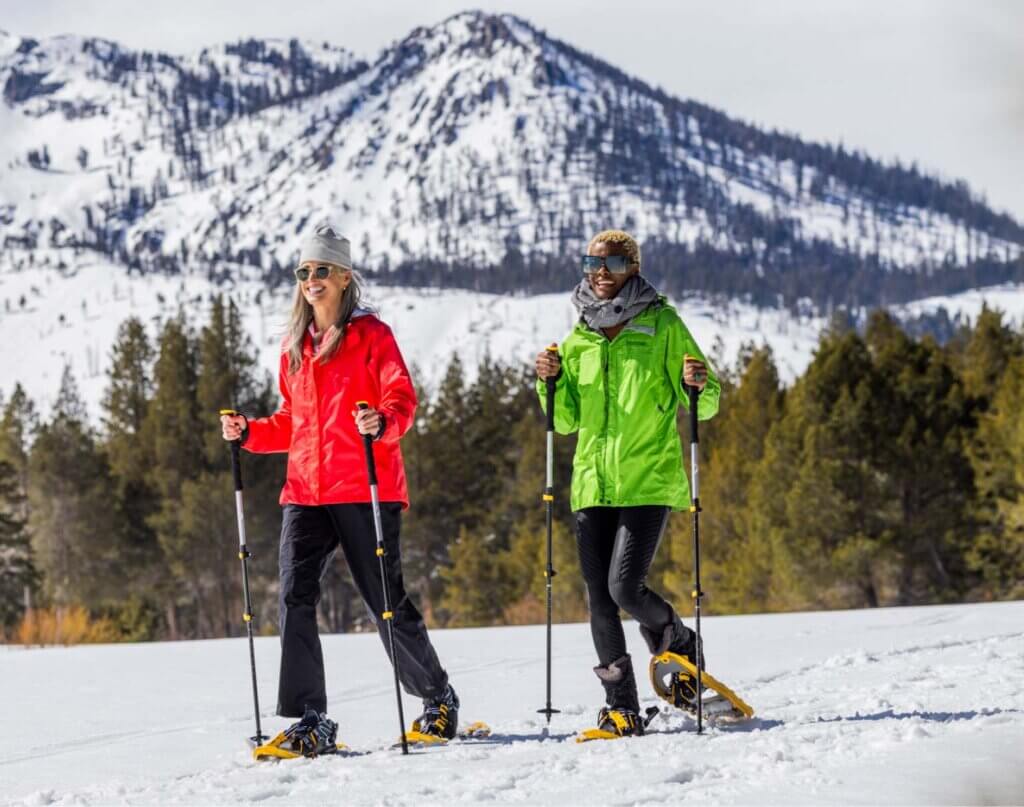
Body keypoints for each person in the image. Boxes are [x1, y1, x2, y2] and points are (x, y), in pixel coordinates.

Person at [221, 224, 458, 755]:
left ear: (345, 277)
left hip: (365, 486)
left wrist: (382, 421)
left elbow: (402, 399)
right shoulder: (294, 347)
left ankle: (437, 697)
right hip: (304, 492)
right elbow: (292, 422)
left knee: (384, 600)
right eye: (304, 271)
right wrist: (251, 432)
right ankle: (311, 718)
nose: (311, 279)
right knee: (293, 596)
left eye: (321, 270)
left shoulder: (372, 336)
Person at [534, 229, 720, 737]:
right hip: (593, 484)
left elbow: (706, 402)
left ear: (632, 268)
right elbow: (566, 419)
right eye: (592, 262)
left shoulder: (661, 324)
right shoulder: (578, 340)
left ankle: (677, 641)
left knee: (624, 586)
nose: (600, 271)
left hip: (648, 480)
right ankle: (621, 706)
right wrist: (547, 382)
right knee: (598, 596)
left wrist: (697, 383)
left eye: (613, 263)